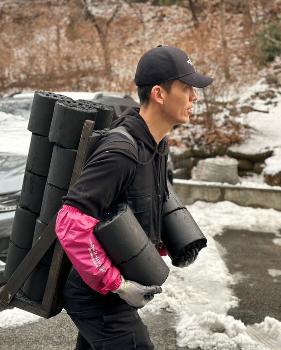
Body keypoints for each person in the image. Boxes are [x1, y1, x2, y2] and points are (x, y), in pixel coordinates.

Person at [55, 45, 213, 350]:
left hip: (111, 294)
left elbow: (130, 208)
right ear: (159, 93)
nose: (194, 97)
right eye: (186, 88)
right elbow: (70, 222)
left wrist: (166, 242)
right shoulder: (122, 152)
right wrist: (118, 284)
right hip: (97, 298)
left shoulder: (156, 147)